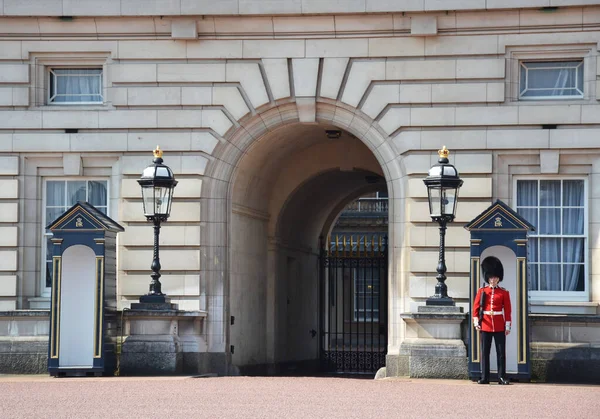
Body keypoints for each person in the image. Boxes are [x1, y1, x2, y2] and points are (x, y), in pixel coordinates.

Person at [473, 256, 512, 385]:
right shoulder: (482, 291)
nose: (493, 280)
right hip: (485, 324)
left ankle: (501, 377)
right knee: (485, 353)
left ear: (498, 278)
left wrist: (507, 326)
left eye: (495, 278)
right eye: (491, 278)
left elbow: (507, 310)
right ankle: (485, 377)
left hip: (499, 325)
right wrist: (476, 322)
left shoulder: (504, 293)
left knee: (501, 353)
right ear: (487, 278)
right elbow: (476, 308)